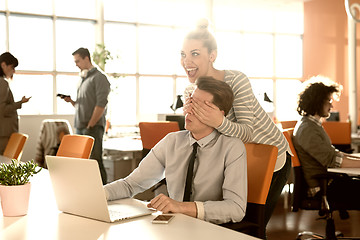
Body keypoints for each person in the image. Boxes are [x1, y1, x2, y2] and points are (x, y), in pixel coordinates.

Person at [181, 19, 291, 227]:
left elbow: (247, 133)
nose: (187, 61)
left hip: (269, 155)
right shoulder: (190, 91)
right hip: (236, 160)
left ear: (212, 56)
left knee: (252, 226)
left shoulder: (236, 80)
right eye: (183, 54)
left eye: (195, 54)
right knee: (226, 223)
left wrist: (218, 121)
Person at [104, 76, 247, 224]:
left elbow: (236, 209)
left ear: (220, 114)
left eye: (200, 107)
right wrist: (97, 194)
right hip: (174, 226)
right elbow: (130, 184)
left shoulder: (232, 147)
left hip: (210, 230)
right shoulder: (172, 141)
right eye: (191, 102)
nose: (189, 110)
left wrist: (181, 207)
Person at [293, 77, 360, 212]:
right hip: (322, 189)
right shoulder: (307, 129)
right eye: (329, 101)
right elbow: (332, 160)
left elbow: (334, 154)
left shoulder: (312, 125)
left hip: (329, 183)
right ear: (317, 102)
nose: (331, 106)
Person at [60, 47, 110, 184]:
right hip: (81, 126)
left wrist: (91, 124)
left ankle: (104, 192)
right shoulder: (84, 78)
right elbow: (82, 104)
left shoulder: (99, 78)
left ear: (86, 58)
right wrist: (71, 101)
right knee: (83, 163)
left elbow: (101, 104)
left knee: (95, 161)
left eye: (77, 61)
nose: (76, 64)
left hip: (92, 127)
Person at [0, 52, 31, 154]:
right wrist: (20, 103)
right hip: (4, 134)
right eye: (12, 67)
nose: (13, 71)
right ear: (3, 65)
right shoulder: (2, 83)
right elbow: (3, 109)